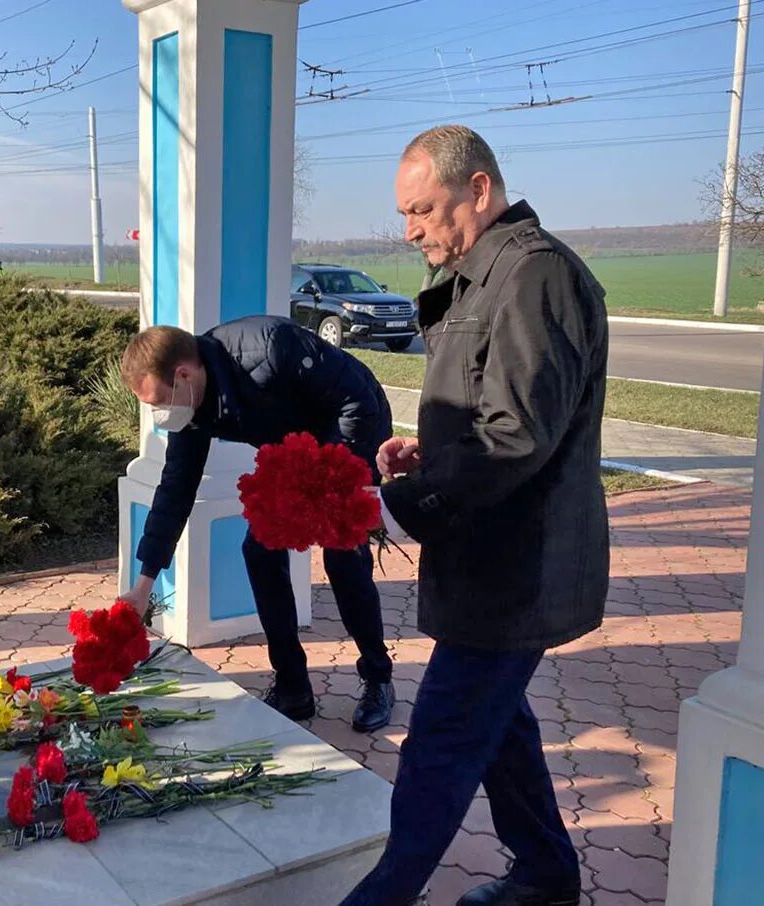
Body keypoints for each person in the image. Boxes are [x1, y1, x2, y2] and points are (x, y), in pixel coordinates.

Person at [341, 127, 608, 906]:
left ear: (479, 191)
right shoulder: (476, 277)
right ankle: (548, 875)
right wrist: (429, 451)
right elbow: (493, 411)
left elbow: (518, 435)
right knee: (501, 730)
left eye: (422, 209)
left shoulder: (536, 275)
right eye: (405, 213)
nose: (409, 230)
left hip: (520, 569)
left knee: (440, 745)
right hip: (483, 556)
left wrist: (398, 508)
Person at [119, 315, 397, 731]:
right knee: (259, 551)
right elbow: (176, 488)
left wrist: (324, 478)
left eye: (159, 401)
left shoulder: (269, 349)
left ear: (183, 374)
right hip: (292, 449)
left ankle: (378, 677)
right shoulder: (191, 406)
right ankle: (292, 686)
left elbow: (356, 400)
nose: (159, 413)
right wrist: (143, 586)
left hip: (352, 428)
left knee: (344, 556)